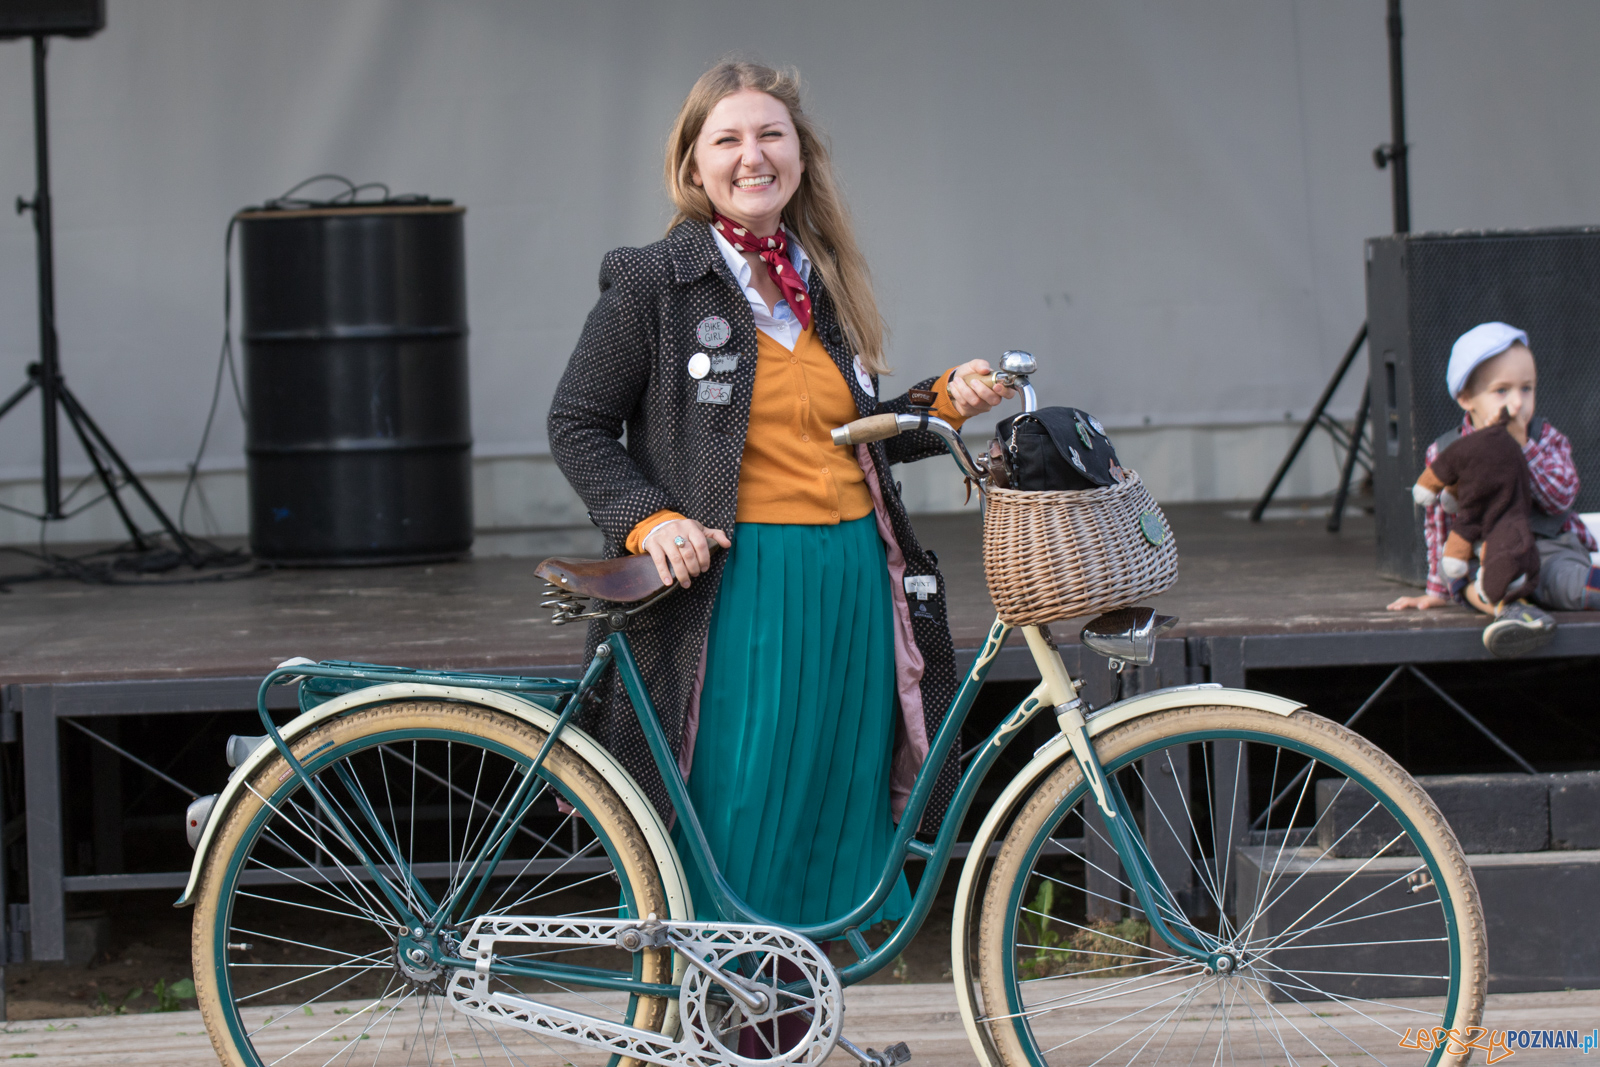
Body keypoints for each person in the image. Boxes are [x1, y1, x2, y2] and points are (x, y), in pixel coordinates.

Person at [548, 60, 1011, 950]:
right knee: (739, 808)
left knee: (827, 808)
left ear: (802, 157)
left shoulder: (819, 282)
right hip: (739, 586)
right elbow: (577, 423)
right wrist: (652, 519)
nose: (751, 155)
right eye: (727, 138)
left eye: (771, 135)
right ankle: (712, 1020)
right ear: (692, 166)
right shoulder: (655, 282)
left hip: (849, 580)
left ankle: (789, 1022)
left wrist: (943, 398)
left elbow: (845, 432)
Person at [1387, 321, 1598, 657]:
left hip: (1547, 550)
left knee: (1569, 585)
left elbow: (1561, 499)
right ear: (1466, 397)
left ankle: (1526, 607)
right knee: (1468, 580)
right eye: (1502, 391)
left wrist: (1521, 447)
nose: (1517, 403)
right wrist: (1436, 590)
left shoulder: (1546, 439)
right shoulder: (1447, 451)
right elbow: (1438, 525)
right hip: (1483, 557)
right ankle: (1516, 613)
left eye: (1526, 388)